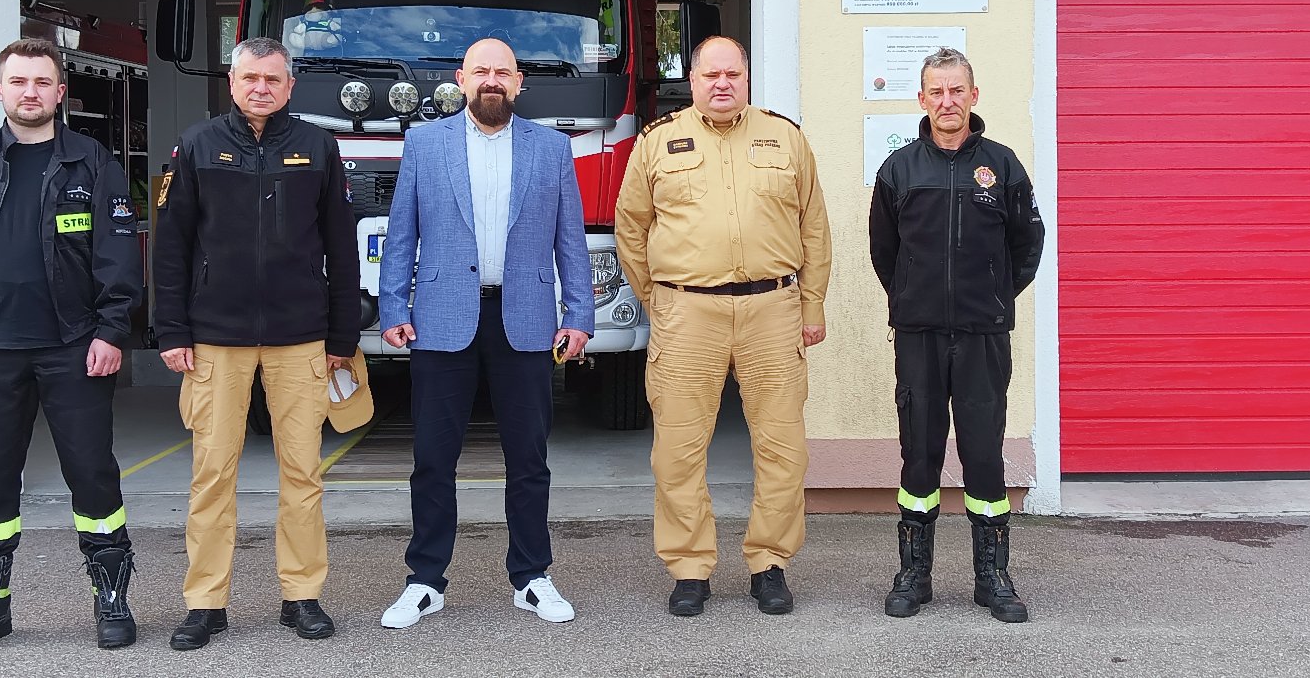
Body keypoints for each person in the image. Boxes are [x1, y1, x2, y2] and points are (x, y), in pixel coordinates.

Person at [0, 38, 143, 655]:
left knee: (91, 473)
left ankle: (111, 598)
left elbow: (119, 257)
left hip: (74, 346)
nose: (30, 92)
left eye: (42, 82)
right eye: (18, 82)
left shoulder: (93, 164)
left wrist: (111, 330)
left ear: (60, 91)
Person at [376, 38, 594, 628]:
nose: (491, 80)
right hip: (442, 317)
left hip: (524, 319)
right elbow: (402, 232)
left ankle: (532, 577)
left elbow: (570, 238)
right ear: (461, 79)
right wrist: (392, 305)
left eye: (502, 71)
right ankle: (425, 581)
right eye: (481, 71)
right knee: (432, 459)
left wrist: (578, 315)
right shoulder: (425, 143)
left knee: (529, 459)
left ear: (519, 82)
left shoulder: (552, 148)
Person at [153, 36, 361, 649]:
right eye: (251, 78)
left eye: (273, 79)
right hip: (215, 338)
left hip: (302, 337)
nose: (261, 88)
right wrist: (172, 329)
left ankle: (302, 596)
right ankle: (205, 603)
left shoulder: (319, 146)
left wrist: (343, 333)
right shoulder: (197, 145)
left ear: (290, 86)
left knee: (303, 472)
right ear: (232, 82)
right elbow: (171, 246)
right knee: (212, 474)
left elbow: (341, 247)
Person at [614, 35, 831, 617]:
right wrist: (658, 300)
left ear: (746, 78)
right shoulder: (657, 142)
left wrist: (812, 305)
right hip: (688, 313)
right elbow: (630, 228)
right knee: (677, 450)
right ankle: (689, 568)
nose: (722, 84)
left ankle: (770, 563)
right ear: (692, 80)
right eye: (711, 75)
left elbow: (814, 228)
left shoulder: (785, 138)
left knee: (783, 447)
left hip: (773, 311)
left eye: (732, 73)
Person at [868, 47, 1044, 623]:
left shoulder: (1002, 165)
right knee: (919, 452)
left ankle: (992, 577)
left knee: (984, 452)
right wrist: (912, 299)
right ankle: (914, 573)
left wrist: (992, 298)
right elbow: (884, 252)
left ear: (974, 95)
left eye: (957, 90)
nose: (947, 101)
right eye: (937, 91)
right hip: (918, 335)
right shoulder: (899, 170)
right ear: (921, 98)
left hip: (981, 334)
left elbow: (1027, 244)